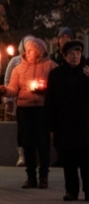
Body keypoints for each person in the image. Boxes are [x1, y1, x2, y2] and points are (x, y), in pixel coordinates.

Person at [44, 40, 89, 201]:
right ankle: (71, 190)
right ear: (65, 56)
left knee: (87, 160)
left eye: (78, 53)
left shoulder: (87, 72)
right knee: (69, 161)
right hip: (64, 124)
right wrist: (51, 125)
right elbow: (50, 101)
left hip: (84, 124)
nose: (75, 56)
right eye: (72, 54)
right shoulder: (56, 74)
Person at [2, 36, 55, 189]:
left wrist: (44, 89)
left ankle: (43, 175)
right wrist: (5, 91)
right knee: (28, 143)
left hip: (43, 109)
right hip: (25, 110)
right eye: (27, 49)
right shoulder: (19, 68)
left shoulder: (51, 66)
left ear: (40, 51)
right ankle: (30, 176)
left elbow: (57, 87)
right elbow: (13, 89)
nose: (28, 52)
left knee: (43, 143)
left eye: (32, 50)